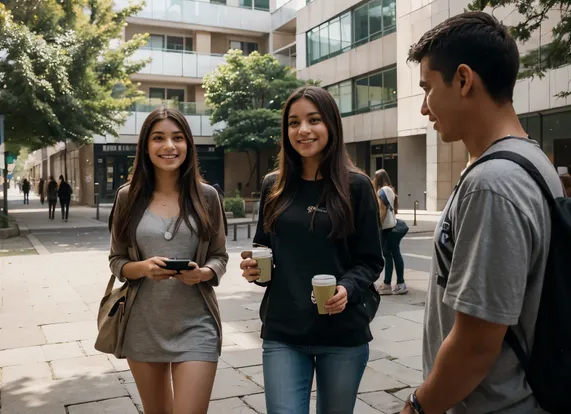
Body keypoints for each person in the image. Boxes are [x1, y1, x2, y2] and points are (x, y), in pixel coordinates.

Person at [401, 12, 563, 414]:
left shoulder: (493, 182)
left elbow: (475, 345)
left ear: (463, 79)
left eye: (427, 89)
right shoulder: (533, 160)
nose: (424, 108)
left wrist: (417, 407)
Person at [239, 86, 384, 414]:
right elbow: (264, 249)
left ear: (331, 125)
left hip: (343, 332)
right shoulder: (272, 186)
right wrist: (256, 271)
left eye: (313, 120)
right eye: (293, 122)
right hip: (283, 330)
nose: (302, 130)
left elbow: (371, 260)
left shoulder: (357, 186)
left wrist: (347, 288)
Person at [108, 108, 227, 414]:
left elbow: (220, 256)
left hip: (197, 324)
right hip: (143, 325)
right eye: (158, 138)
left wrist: (202, 273)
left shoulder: (208, 196)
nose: (169, 146)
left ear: (188, 144)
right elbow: (117, 261)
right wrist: (144, 268)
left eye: (177, 138)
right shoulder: (127, 197)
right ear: (146, 147)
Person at [373, 169, 407, 295]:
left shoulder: (382, 191)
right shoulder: (390, 189)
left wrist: (378, 224)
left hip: (387, 228)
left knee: (390, 255)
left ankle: (395, 283)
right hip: (391, 227)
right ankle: (394, 283)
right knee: (390, 255)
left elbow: (382, 209)